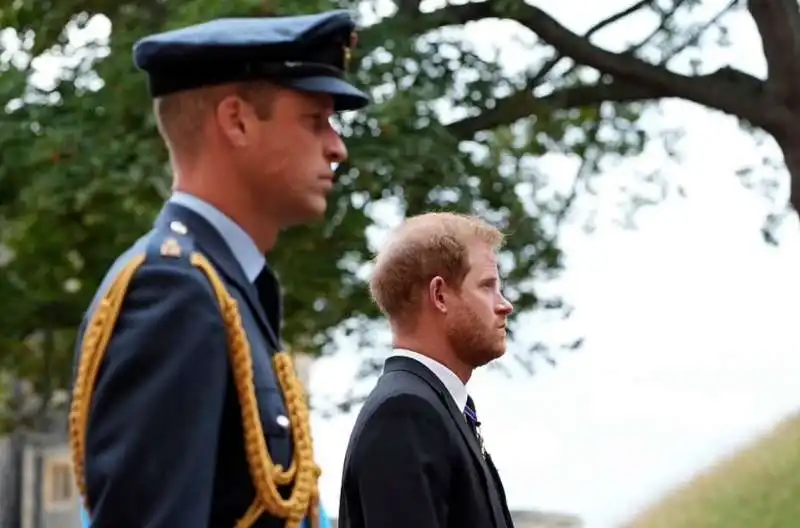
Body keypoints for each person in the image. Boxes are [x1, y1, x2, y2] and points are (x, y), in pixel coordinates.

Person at [67, 9, 368, 528]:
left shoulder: (227, 286)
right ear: (237, 121)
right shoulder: (174, 291)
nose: (338, 147)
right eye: (314, 120)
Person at [338, 212, 516, 528]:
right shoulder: (406, 413)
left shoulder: (438, 408)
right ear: (440, 295)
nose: (504, 305)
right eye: (487, 286)